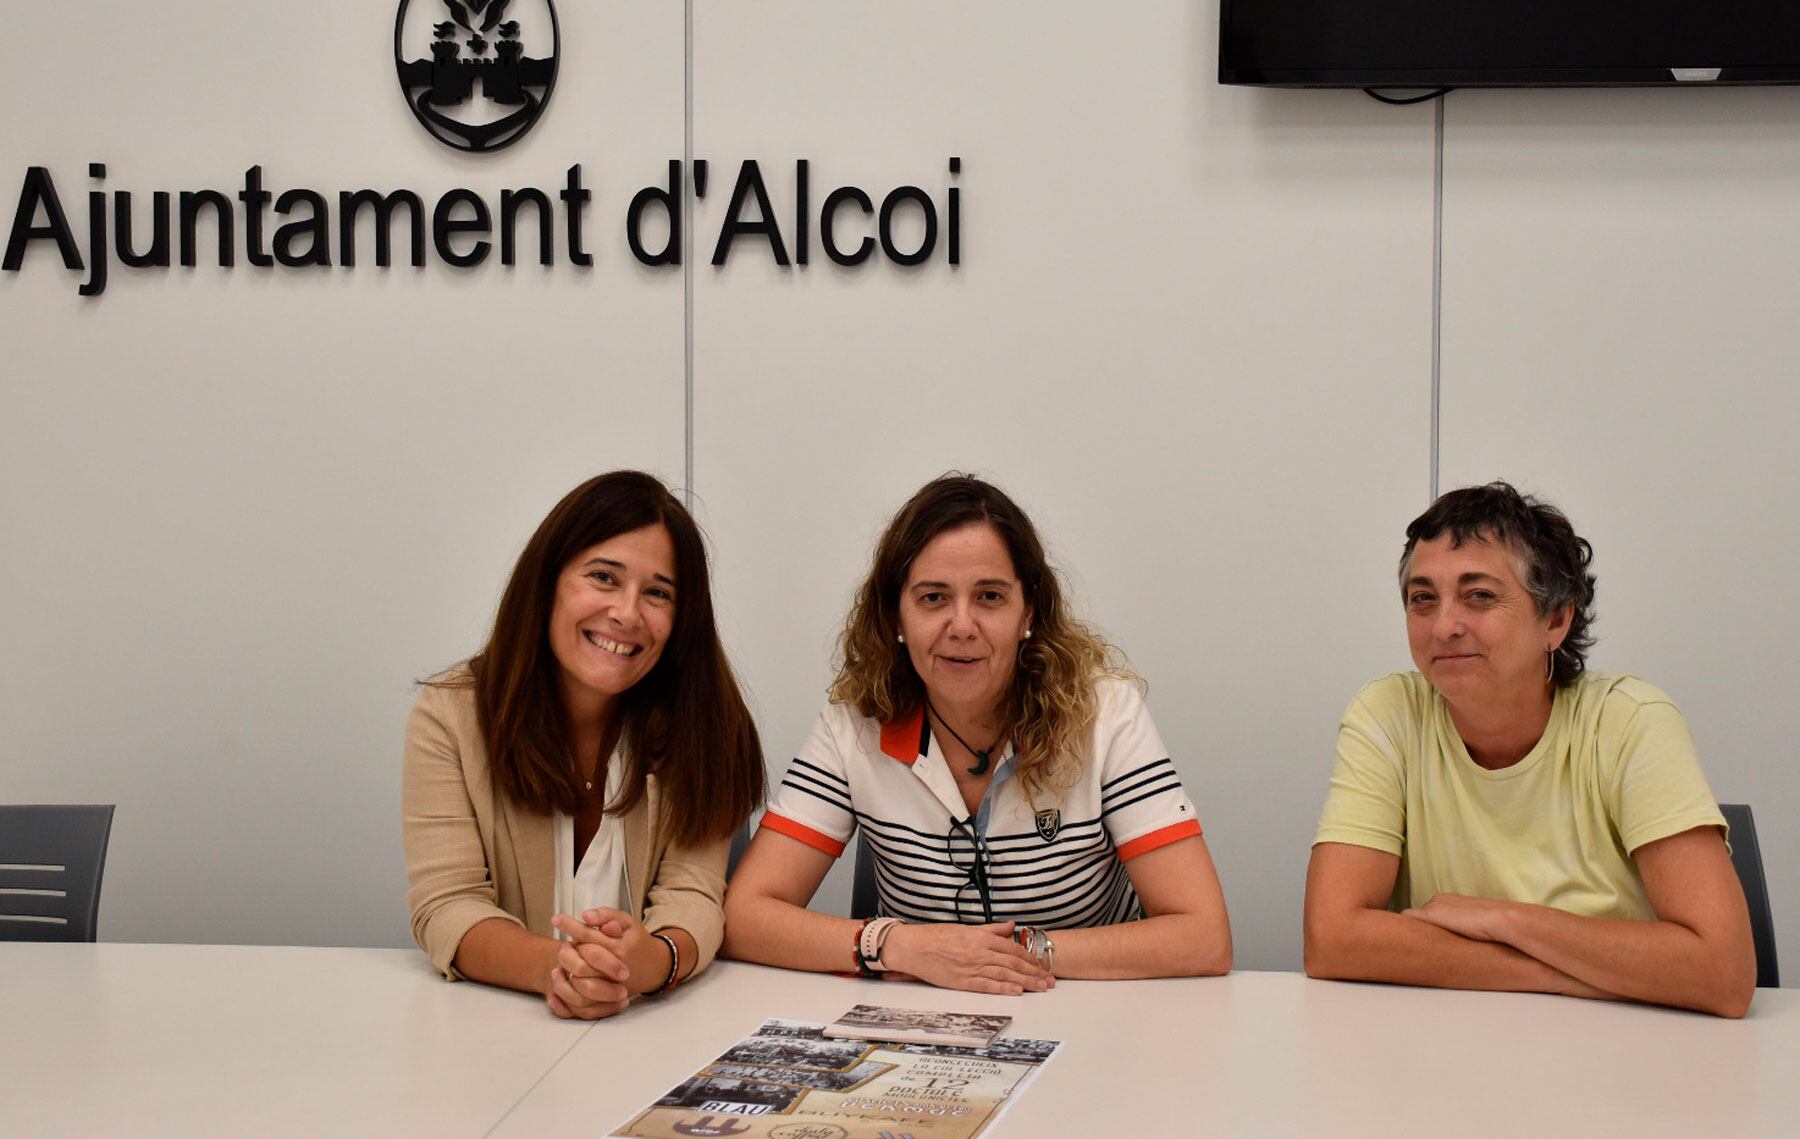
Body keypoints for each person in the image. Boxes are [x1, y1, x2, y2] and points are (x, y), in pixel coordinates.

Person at [724, 474, 1232, 993]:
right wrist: (901, 946)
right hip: (928, 1033)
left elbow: (1203, 936)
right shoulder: (856, 724)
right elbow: (744, 917)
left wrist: (1012, 954)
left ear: (1027, 612)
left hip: (1093, 1018)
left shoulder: (1104, 715)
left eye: (989, 597)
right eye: (933, 598)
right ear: (895, 614)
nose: (962, 625)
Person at [1304, 481, 1755, 1017]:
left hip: (1620, 1058)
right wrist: (1565, 972)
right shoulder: (1388, 714)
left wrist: (1503, 919)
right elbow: (1332, 940)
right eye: (1422, 599)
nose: (1444, 626)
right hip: (1443, 1050)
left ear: (1556, 620)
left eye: (1479, 596)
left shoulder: (1630, 722)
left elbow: (1723, 974)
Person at [403, 471, 764, 1019]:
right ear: (547, 582)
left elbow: (695, 896)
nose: (626, 613)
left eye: (658, 593)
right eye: (603, 577)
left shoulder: (708, 724)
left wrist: (657, 961)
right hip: (493, 1036)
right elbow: (446, 905)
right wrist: (560, 970)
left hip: (655, 1036)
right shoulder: (450, 715)